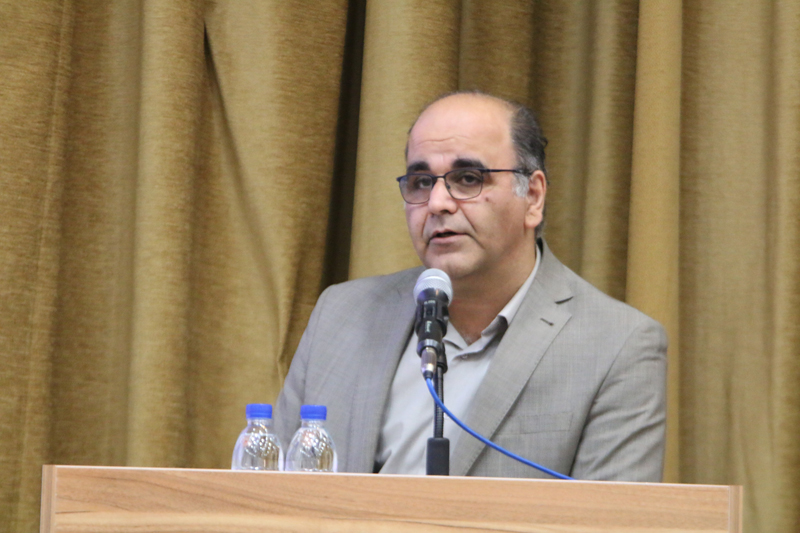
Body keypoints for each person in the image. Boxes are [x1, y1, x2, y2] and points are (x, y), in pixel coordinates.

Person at [275, 91, 667, 481]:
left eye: (467, 179)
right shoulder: (341, 315)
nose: (437, 203)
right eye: (421, 181)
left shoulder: (617, 345)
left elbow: (611, 513)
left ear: (533, 196)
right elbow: (269, 494)